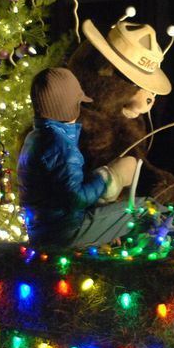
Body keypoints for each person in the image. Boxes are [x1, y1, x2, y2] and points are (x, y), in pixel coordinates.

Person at [18, 67, 140, 249]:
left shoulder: (36, 138)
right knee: (144, 209)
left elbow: (62, 191)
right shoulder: (61, 146)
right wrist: (110, 177)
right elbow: (75, 199)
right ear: (69, 107)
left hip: (41, 230)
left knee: (114, 212)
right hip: (64, 232)